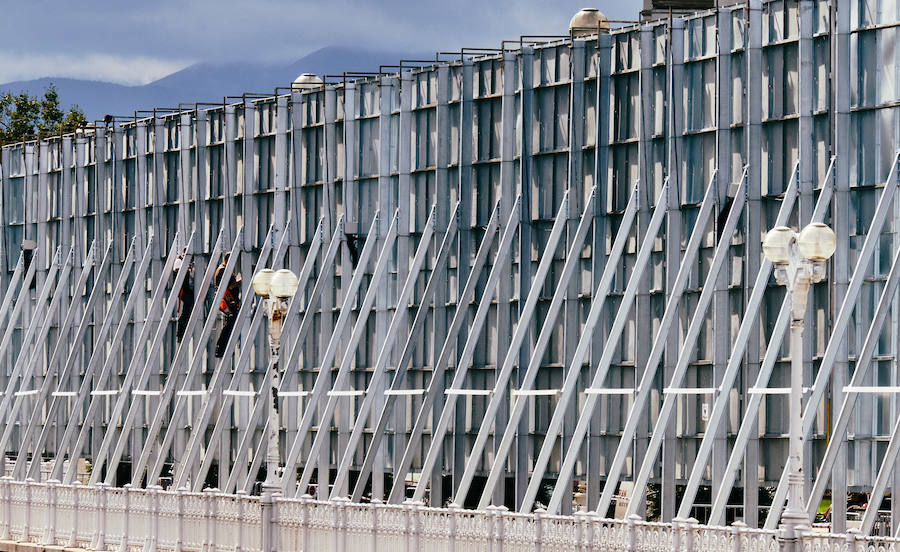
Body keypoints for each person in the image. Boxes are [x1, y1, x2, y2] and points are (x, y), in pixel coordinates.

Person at [214, 253, 242, 358]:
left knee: (230, 323)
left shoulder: (223, 269)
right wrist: (238, 281)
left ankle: (223, 348)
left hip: (228, 301)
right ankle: (220, 349)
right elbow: (228, 286)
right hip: (227, 301)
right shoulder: (222, 270)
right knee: (229, 323)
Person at [173, 247, 194, 341]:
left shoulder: (188, 262)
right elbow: (177, 270)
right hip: (182, 288)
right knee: (186, 309)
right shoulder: (179, 260)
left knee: (188, 308)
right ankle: (180, 332)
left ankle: (183, 330)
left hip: (187, 288)